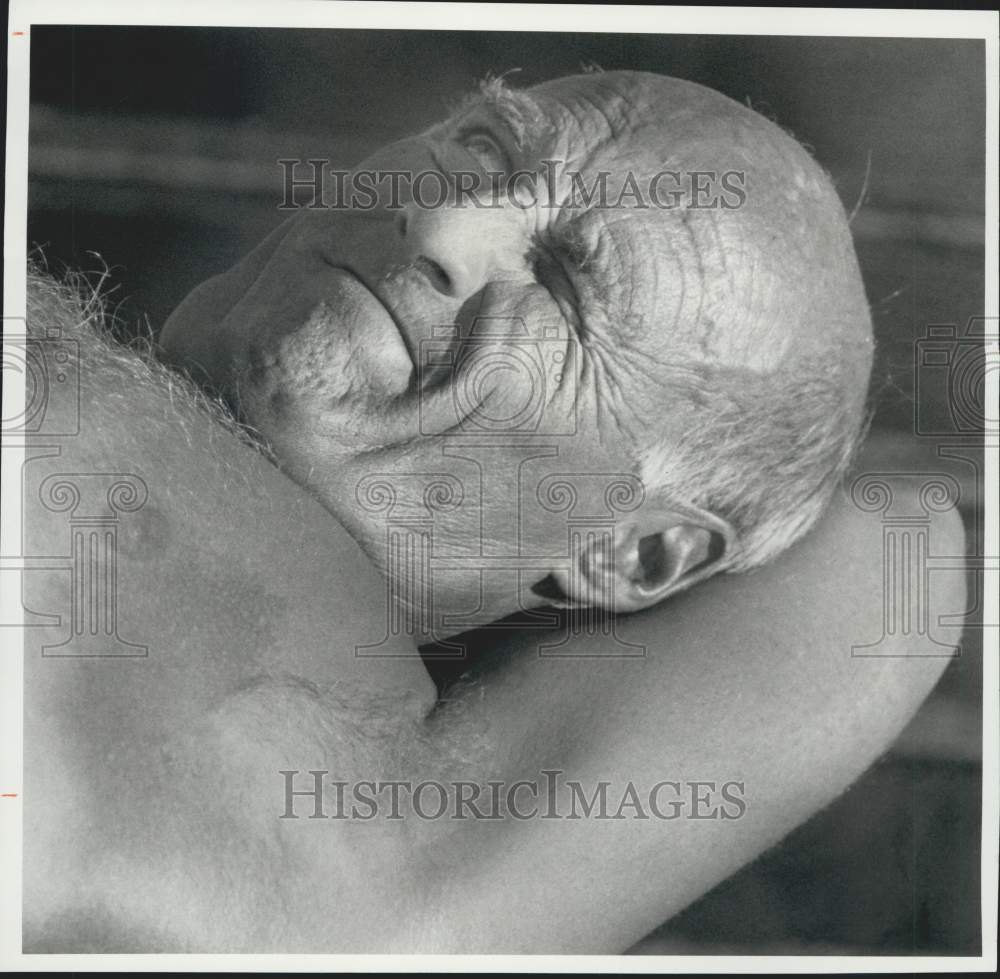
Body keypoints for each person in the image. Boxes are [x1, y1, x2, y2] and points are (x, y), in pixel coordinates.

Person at [20, 71, 965, 953]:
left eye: (564, 280)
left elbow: (895, 547)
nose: (440, 220)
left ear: (639, 553)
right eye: (483, 152)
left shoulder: (365, 840)